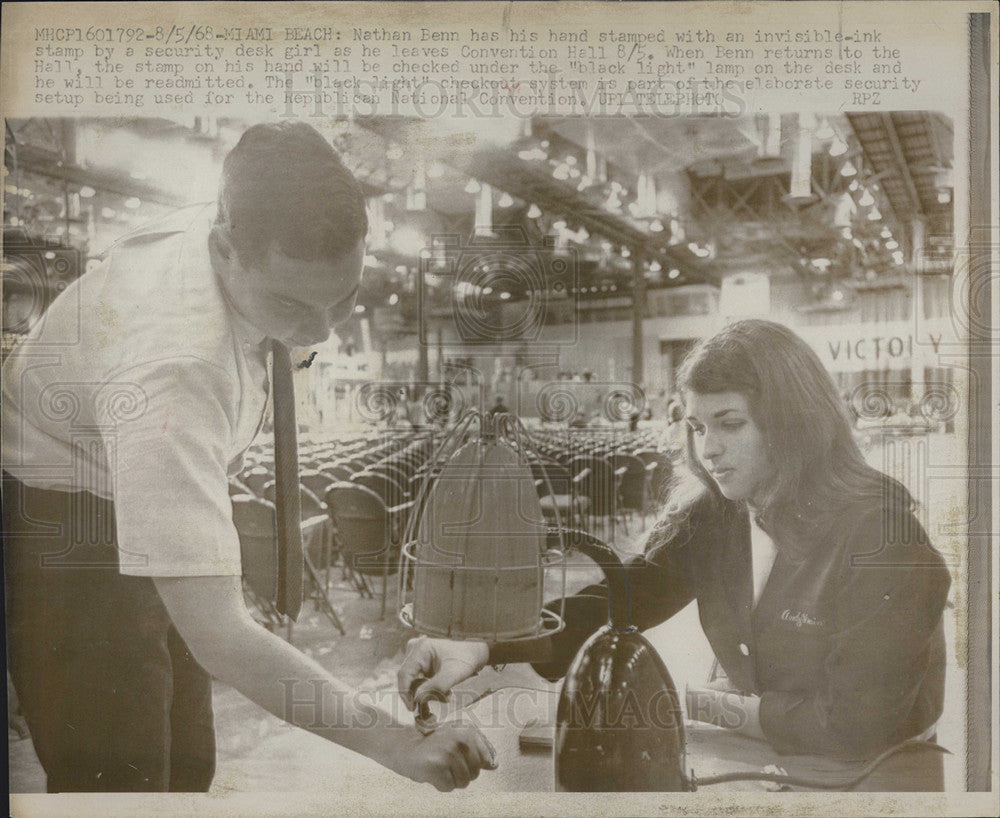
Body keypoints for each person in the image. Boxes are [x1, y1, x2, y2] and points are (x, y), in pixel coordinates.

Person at [2, 122, 495, 793]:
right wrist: (394, 741)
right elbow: (220, 636)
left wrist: (293, 310)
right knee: (118, 773)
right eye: (292, 304)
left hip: (120, 451)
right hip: (61, 504)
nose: (321, 333)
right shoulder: (173, 367)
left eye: (344, 298)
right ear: (225, 245)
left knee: (188, 758)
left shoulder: (246, 235)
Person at [398, 319, 950, 773]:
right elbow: (622, 594)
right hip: (775, 759)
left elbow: (854, 723)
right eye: (696, 426)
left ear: (795, 422)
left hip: (883, 771)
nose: (708, 449)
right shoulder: (718, 519)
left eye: (729, 424)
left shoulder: (882, 537)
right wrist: (483, 648)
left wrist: (705, 705)